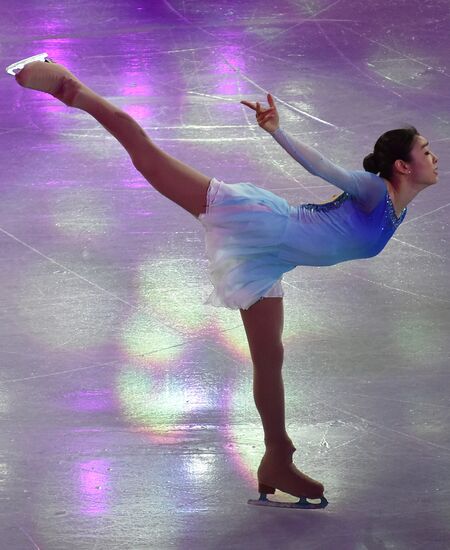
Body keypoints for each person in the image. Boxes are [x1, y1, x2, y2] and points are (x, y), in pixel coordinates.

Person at [13, 60, 438, 506]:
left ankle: (277, 457)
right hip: (257, 222)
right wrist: (276, 131)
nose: (434, 156)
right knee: (148, 157)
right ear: (401, 167)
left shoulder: (399, 209)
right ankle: (67, 84)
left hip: (270, 260)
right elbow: (323, 168)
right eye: (425, 150)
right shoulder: (375, 191)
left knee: (269, 359)